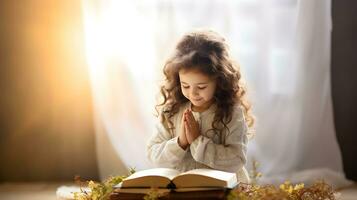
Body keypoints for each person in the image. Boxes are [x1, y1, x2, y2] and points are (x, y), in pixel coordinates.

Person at [146, 30, 255, 183]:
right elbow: (153, 153)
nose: (193, 93)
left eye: (201, 87)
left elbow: (236, 159)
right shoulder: (172, 112)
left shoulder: (231, 113)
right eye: (185, 85)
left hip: (222, 190)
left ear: (219, 81)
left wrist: (198, 142)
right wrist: (181, 142)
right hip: (182, 190)